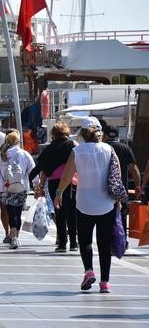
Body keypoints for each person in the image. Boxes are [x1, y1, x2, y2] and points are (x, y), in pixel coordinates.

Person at [54, 117, 117, 293]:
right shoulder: (109, 149)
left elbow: (66, 176)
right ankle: (105, 283)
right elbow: (115, 176)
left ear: (82, 133)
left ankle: (88, 270)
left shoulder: (77, 151)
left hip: (84, 203)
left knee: (85, 240)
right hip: (106, 203)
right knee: (104, 244)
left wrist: (58, 194)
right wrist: (118, 200)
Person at [34, 122, 78, 252]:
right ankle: (74, 243)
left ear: (53, 133)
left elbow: (43, 170)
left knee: (59, 212)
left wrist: (41, 186)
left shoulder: (48, 149)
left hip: (53, 182)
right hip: (70, 182)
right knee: (71, 212)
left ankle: (62, 243)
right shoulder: (73, 145)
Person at [0, 131, 35, 249]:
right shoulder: (25, 154)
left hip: (5, 188)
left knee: (10, 212)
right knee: (17, 213)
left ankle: (13, 236)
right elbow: (32, 171)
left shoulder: (1, 154)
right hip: (21, 187)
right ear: (17, 142)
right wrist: (38, 185)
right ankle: (15, 237)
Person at [104, 125, 141, 250]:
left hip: (104, 189)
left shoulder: (103, 148)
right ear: (118, 136)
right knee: (122, 214)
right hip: (121, 189)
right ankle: (122, 242)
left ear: (105, 135)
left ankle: (108, 242)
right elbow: (134, 168)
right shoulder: (125, 148)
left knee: (105, 216)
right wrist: (137, 185)